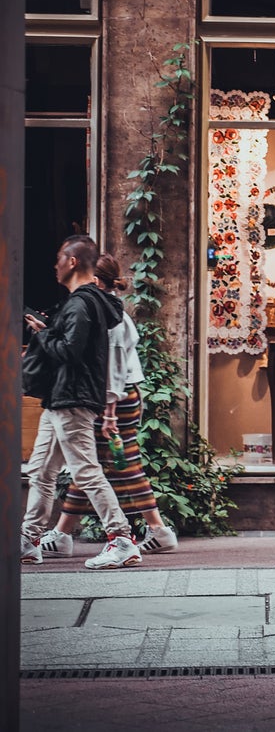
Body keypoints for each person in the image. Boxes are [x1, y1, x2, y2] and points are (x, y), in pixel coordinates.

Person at [37, 253, 179, 559]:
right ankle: (62, 533)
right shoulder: (108, 311)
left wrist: (110, 412)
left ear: (97, 281)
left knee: (112, 465)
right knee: (89, 464)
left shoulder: (110, 317)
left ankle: (156, 530)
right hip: (115, 396)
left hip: (115, 397)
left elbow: (115, 366)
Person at [20, 236, 141, 569]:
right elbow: (75, 346)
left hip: (71, 397)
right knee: (40, 470)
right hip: (61, 398)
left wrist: (43, 335)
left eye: (60, 256)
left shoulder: (80, 304)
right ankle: (29, 539)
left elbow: (70, 353)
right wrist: (49, 331)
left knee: (86, 472)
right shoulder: (88, 303)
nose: (55, 263)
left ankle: (121, 540)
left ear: (73, 261)